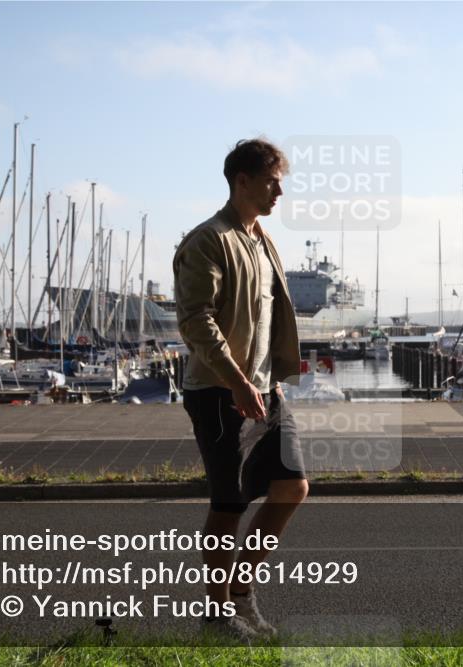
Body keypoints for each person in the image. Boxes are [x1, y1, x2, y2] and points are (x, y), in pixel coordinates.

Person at [173, 138, 308, 641]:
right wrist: (236, 381)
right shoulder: (210, 239)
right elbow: (195, 320)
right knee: (229, 503)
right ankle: (216, 615)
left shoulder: (262, 239)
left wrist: (270, 379)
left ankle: (241, 593)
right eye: (272, 181)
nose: (279, 192)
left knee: (292, 487)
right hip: (218, 390)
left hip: (265, 390)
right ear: (242, 181)